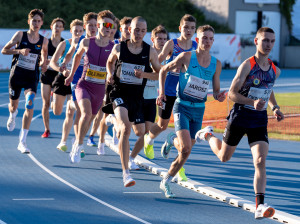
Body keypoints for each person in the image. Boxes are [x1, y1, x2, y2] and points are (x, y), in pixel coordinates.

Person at [197, 27, 283, 219]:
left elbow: (269, 90)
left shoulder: (274, 70)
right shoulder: (247, 66)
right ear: (256, 41)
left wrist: (275, 107)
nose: (268, 44)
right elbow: (233, 94)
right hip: (239, 117)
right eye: (265, 40)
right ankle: (208, 134)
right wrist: (252, 102)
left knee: (260, 160)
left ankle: (259, 206)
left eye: (271, 41)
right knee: (223, 157)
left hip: (259, 121)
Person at [157, 25, 225, 198]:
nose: (207, 41)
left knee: (185, 151)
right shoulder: (186, 57)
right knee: (186, 147)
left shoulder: (216, 64)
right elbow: (163, 70)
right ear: (197, 40)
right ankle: (167, 181)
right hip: (182, 106)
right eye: (204, 38)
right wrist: (162, 93)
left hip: (199, 110)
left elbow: (216, 90)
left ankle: (171, 151)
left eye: (210, 38)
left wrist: (219, 96)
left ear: (213, 41)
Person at [106, 16, 161, 187]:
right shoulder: (119, 47)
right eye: (136, 29)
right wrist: (110, 73)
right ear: (129, 30)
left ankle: (112, 119)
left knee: (139, 132)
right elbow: (110, 62)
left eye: (143, 31)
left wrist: (144, 74)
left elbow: (159, 73)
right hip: (119, 93)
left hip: (137, 97)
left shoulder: (150, 51)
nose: (139, 33)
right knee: (126, 129)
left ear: (146, 32)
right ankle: (126, 173)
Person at [144, 14, 198, 181]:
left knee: (186, 135)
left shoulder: (196, 46)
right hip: (167, 92)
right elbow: (158, 64)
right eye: (186, 27)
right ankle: (149, 139)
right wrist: (169, 68)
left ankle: (179, 168)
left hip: (186, 94)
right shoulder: (172, 44)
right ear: (180, 28)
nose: (188, 31)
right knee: (161, 124)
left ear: (195, 30)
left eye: (192, 28)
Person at [65, 10, 116, 163]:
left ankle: (79, 140)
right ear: (99, 25)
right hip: (84, 85)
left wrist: (111, 76)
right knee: (86, 114)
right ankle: (78, 145)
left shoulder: (114, 47)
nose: (108, 28)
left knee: (91, 119)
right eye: (105, 24)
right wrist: (70, 75)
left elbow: (115, 65)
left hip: (100, 89)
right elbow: (77, 57)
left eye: (111, 26)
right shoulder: (86, 42)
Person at [2, 9, 48, 153]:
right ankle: (12, 115)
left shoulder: (43, 40)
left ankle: (22, 141)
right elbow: (4, 50)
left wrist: (43, 65)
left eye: (39, 21)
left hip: (31, 77)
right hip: (16, 75)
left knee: (30, 103)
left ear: (42, 23)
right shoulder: (20, 35)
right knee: (13, 106)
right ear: (29, 21)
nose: (36, 23)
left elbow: (44, 59)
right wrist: (19, 51)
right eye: (34, 20)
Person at [128, 25, 168, 170]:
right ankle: (113, 120)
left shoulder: (167, 58)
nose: (162, 42)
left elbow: (160, 76)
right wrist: (147, 75)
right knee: (139, 131)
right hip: (138, 97)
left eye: (164, 39)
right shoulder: (146, 54)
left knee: (147, 132)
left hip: (152, 99)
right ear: (152, 39)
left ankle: (131, 158)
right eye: (159, 39)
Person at [56, 13, 97, 153]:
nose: (92, 28)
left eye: (95, 25)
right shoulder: (81, 41)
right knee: (81, 110)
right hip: (77, 79)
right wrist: (64, 63)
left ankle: (77, 140)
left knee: (87, 114)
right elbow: (70, 54)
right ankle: (78, 143)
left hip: (93, 80)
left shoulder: (101, 42)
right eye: (90, 25)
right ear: (85, 26)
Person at [87, 16, 119, 149]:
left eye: (112, 27)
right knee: (94, 112)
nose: (110, 29)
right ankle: (90, 136)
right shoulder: (92, 43)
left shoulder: (117, 45)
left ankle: (94, 136)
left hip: (108, 84)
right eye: (107, 26)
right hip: (93, 82)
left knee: (102, 111)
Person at [40, 17, 65, 138]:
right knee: (45, 104)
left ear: (63, 29)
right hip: (46, 75)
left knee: (55, 107)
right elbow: (40, 59)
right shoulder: (46, 42)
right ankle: (47, 129)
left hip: (58, 77)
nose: (58, 28)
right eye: (56, 26)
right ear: (51, 27)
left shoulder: (64, 44)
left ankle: (53, 95)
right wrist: (42, 63)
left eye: (60, 26)